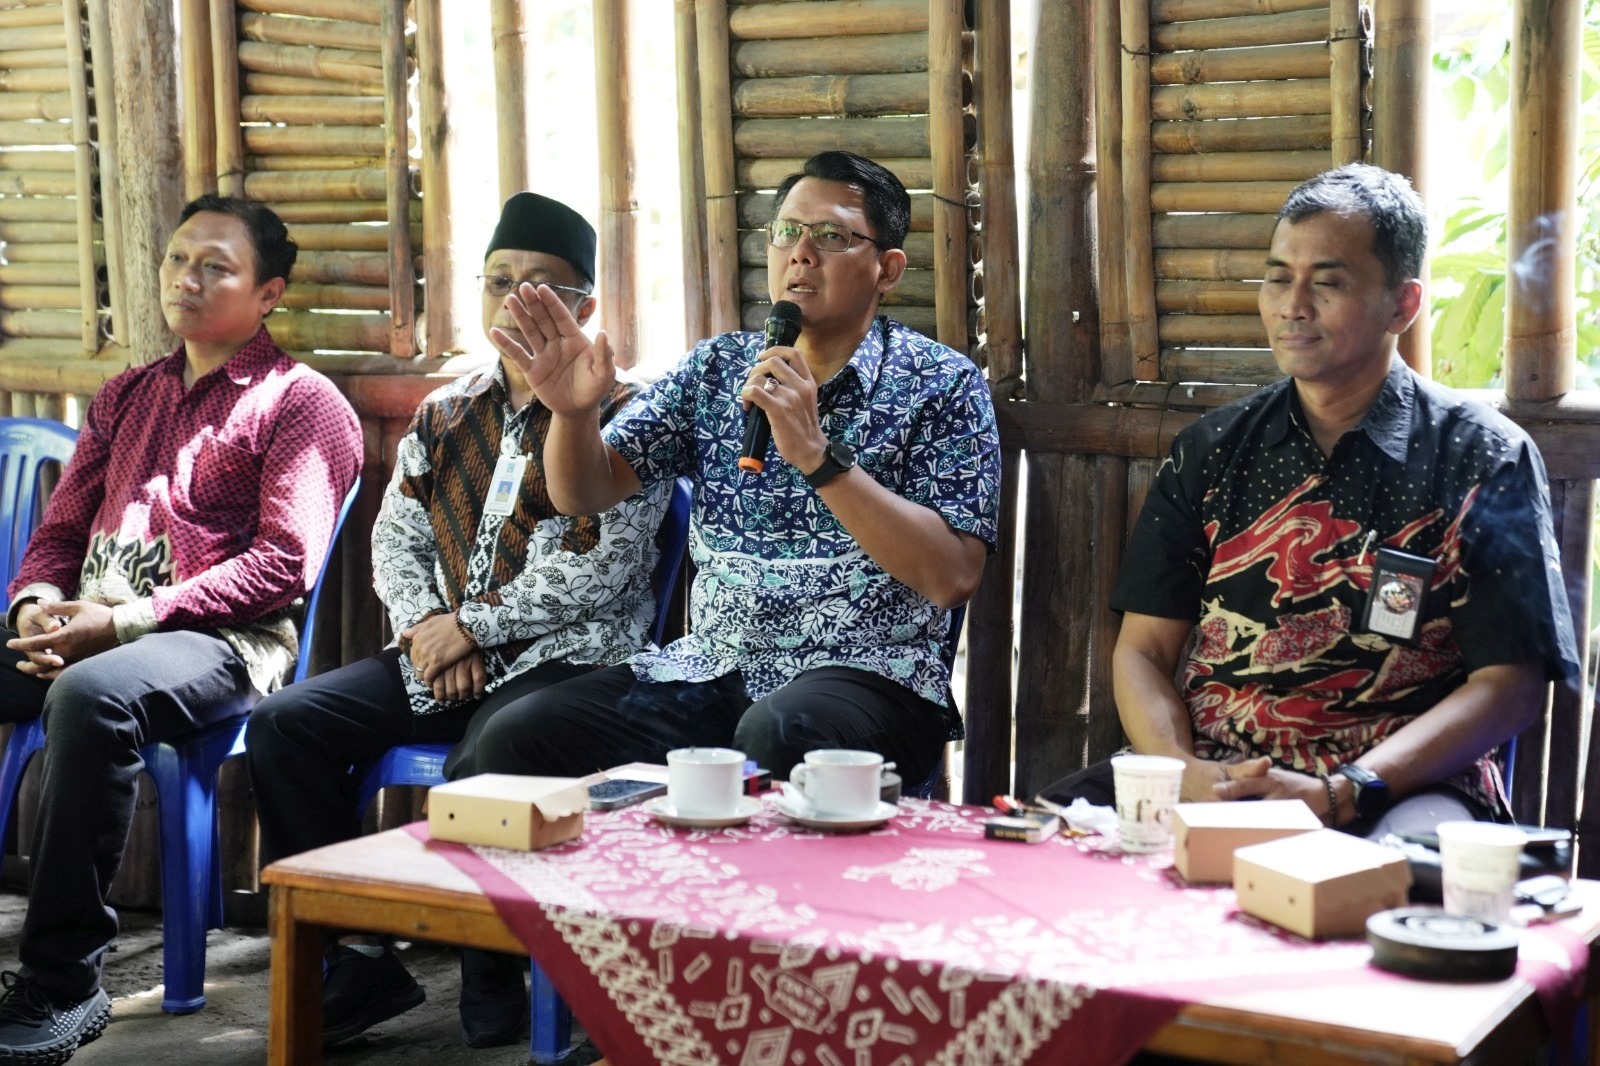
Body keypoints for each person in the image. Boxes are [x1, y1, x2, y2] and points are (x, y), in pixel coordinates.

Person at [1040, 164, 1579, 838]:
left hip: (1401, 788)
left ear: (1403, 305)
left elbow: (1510, 686)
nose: (1293, 305)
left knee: (1404, 890)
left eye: (1326, 283)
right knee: (1029, 853)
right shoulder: (1211, 451)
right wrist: (1180, 768)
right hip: (1217, 775)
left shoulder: (1482, 457)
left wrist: (1347, 791)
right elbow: (1143, 651)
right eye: (1277, 278)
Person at [245, 192, 668, 1049]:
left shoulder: (626, 410)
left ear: (583, 305)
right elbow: (395, 536)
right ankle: (356, 960)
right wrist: (430, 625)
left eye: (539, 286)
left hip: (573, 658)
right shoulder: (446, 413)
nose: (514, 301)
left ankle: (496, 974)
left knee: (488, 753)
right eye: (498, 281)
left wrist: (473, 628)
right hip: (440, 648)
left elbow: (604, 565)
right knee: (285, 724)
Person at [474, 151, 1000, 795]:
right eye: (787, 232)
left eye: (832, 236)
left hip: (868, 671)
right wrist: (574, 416)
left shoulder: (942, 383)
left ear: (887, 267)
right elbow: (584, 491)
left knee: (778, 733)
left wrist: (816, 456)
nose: (800, 252)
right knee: (513, 735)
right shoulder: (718, 368)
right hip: (711, 664)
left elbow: (952, 576)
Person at [0, 195, 363, 1063]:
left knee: (92, 696)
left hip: (224, 644)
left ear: (269, 292)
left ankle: (63, 982)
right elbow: (59, 527)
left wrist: (121, 621)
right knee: (70, 669)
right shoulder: (128, 394)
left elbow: (285, 565)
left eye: (216, 267)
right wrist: (32, 602)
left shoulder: (301, 403)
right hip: (86, 621)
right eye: (176, 260)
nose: (187, 280)